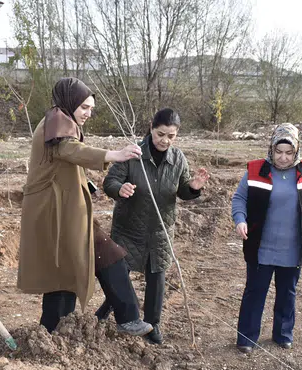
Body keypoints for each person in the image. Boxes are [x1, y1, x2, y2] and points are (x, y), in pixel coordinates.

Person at [17, 77, 152, 336]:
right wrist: (113, 155)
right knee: (65, 272)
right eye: (85, 108)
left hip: (69, 211)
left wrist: (85, 185)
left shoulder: (60, 121)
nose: (89, 113)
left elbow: (62, 163)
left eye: (91, 108)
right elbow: (70, 150)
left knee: (99, 258)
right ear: (70, 104)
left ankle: (121, 318)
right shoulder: (57, 122)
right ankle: (54, 333)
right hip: (54, 214)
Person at [100, 108, 210, 344]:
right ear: (151, 128)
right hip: (129, 228)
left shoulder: (177, 158)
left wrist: (194, 186)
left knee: (157, 278)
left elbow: (182, 190)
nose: (165, 140)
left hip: (160, 229)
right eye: (161, 134)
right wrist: (120, 189)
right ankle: (105, 313)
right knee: (120, 275)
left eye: (171, 136)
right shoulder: (134, 154)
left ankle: (153, 325)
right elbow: (110, 181)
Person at [231, 123, 302, 354]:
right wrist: (240, 219)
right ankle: (246, 338)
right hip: (260, 246)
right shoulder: (255, 170)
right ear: (271, 148)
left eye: (288, 153)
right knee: (255, 291)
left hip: (292, 247)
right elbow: (240, 198)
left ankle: (283, 334)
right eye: (278, 151)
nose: (282, 157)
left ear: (297, 150)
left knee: (287, 293)